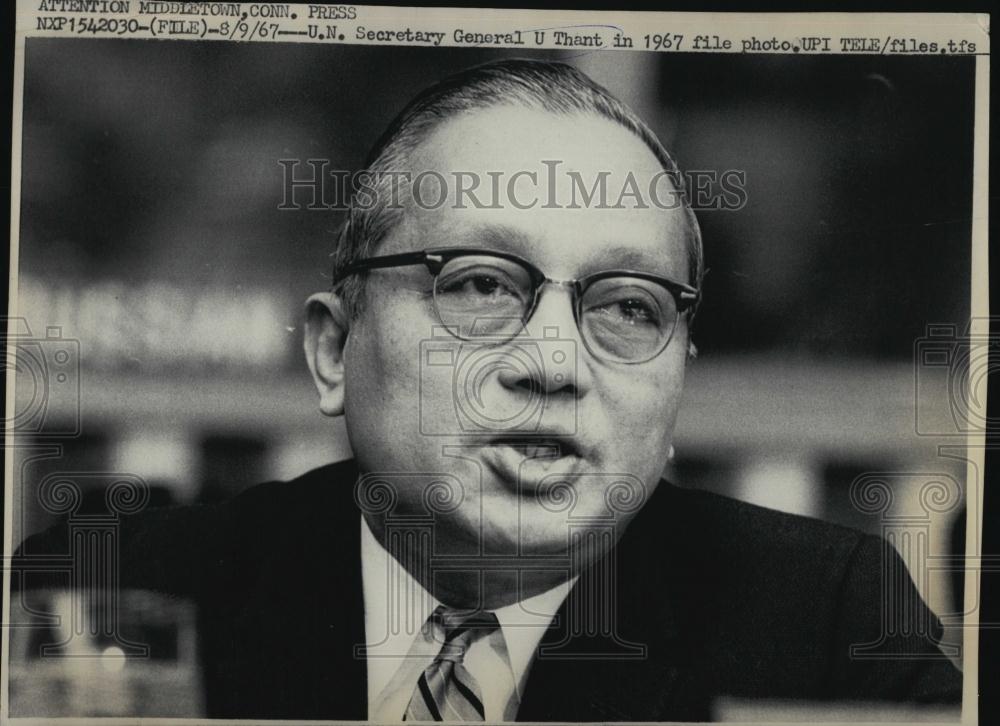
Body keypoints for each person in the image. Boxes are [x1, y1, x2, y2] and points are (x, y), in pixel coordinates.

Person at [15, 59, 961, 721]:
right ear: (334, 352)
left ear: (676, 389)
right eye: (479, 285)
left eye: (628, 308)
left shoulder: (830, 622)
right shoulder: (117, 588)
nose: (553, 363)